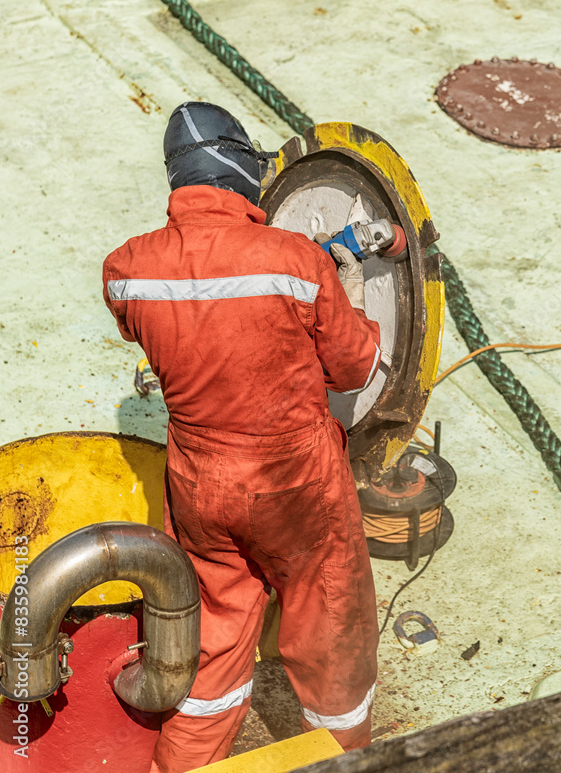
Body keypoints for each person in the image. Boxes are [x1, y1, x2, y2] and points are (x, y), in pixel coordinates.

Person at [102, 102, 381, 773]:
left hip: (199, 483)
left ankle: (185, 765)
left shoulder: (126, 267)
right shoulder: (293, 259)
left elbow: (167, 329)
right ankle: (342, 756)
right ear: (238, 165)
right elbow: (353, 367)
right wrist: (342, 289)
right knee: (327, 621)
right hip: (295, 482)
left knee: (214, 632)